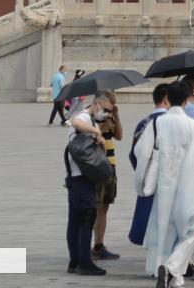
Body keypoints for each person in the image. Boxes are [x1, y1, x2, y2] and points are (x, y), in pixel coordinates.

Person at [134, 81, 194, 288]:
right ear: (186, 100)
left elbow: (141, 152)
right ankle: (172, 268)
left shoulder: (157, 123)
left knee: (163, 228)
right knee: (190, 232)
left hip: (163, 185)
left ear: (168, 98)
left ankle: (167, 270)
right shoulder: (193, 125)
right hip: (185, 184)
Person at [65, 93, 114, 276]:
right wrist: (97, 132)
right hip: (80, 176)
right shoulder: (83, 116)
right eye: (106, 108)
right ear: (97, 103)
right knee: (86, 217)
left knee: (76, 220)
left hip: (77, 176)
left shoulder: (91, 118)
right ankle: (84, 261)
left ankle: (75, 261)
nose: (106, 112)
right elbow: (75, 122)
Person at [129, 83, 171, 248]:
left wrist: (143, 172)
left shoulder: (143, 123)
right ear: (167, 99)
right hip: (166, 181)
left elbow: (134, 154)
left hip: (147, 180)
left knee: (148, 221)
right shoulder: (168, 122)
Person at [92, 90, 123, 261]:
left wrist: (116, 117)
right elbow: (95, 135)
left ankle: (99, 244)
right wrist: (103, 123)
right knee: (97, 208)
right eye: (110, 104)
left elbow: (119, 136)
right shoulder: (90, 118)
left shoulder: (110, 116)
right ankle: (96, 245)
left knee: (104, 207)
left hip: (110, 165)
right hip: (98, 166)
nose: (112, 107)